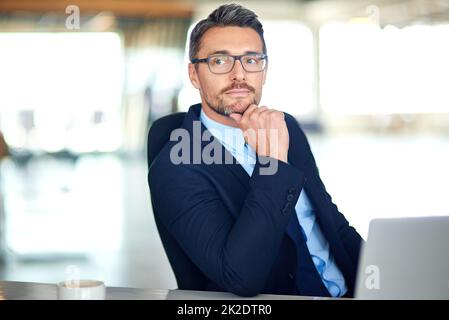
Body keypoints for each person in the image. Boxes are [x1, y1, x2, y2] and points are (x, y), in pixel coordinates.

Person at [148, 3, 363, 297]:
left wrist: (382, 273)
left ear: (263, 69)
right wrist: (273, 163)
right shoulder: (176, 166)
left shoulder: (285, 126)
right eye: (220, 61)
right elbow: (240, 277)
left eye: (251, 60)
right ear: (195, 75)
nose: (239, 75)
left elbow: (330, 223)